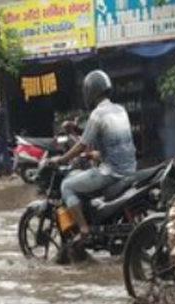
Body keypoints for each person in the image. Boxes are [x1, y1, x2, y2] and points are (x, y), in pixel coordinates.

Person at [50, 70, 137, 244]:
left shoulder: (97, 114)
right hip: (130, 169)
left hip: (112, 173)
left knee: (67, 185)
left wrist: (61, 159)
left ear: (90, 91)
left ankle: (83, 229)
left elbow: (82, 144)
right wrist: (94, 154)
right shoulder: (120, 110)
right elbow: (116, 145)